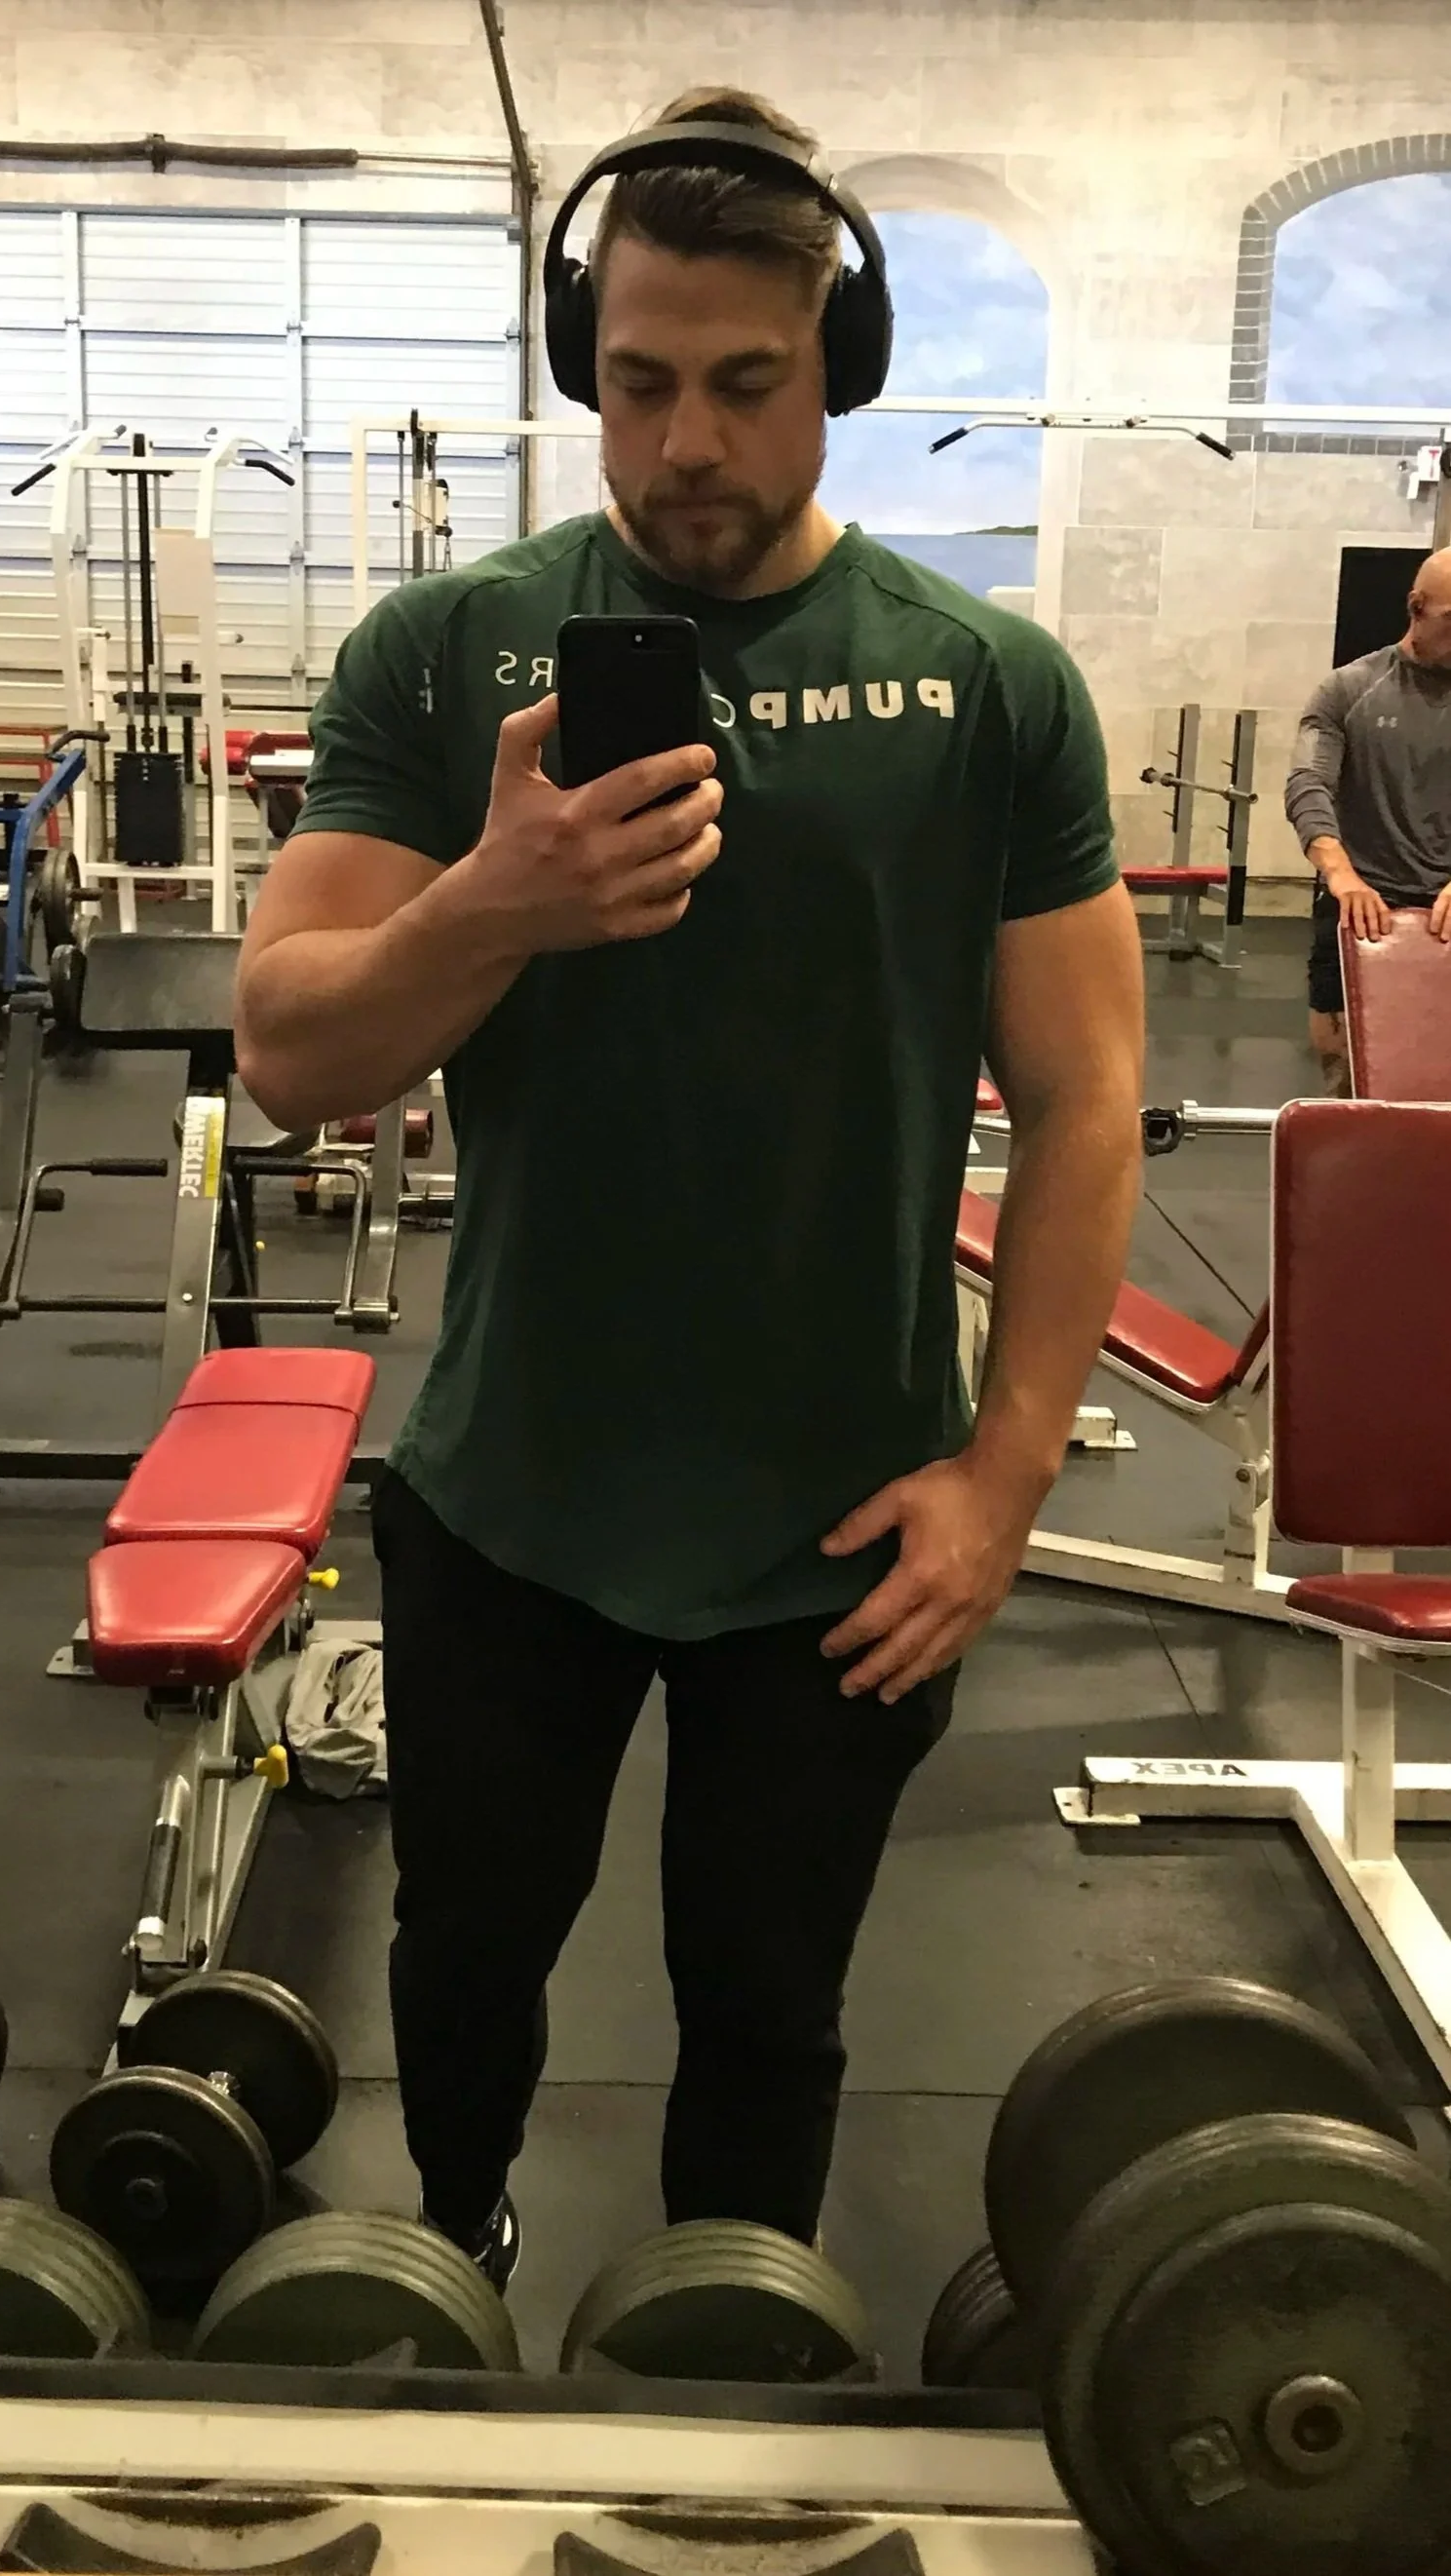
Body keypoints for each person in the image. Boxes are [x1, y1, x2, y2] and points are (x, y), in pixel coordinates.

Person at [235, 88, 1144, 2286]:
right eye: (638, 383)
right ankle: (452, 2244)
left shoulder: (993, 686)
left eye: (745, 383)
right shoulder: (444, 653)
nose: (684, 446)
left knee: (766, 2004)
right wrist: (495, 901)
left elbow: (1088, 1094)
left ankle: (722, 2344)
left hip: (840, 1519)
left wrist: (1006, 1474)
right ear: (586, 365)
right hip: (515, 1493)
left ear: (840, 369)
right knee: (462, 1957)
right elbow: (290, 1049)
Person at [1288, 546, 1451, 1094]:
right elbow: (1308, 783)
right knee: (1349, 1074)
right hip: (1363, 906)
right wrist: (1341, 874)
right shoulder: (1348, 690)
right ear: (1416, 606)